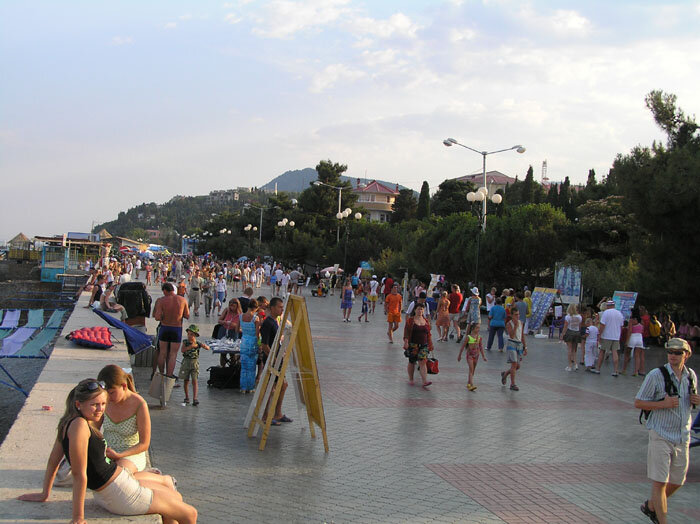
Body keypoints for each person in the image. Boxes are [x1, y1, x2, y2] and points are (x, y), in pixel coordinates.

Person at [18, 379, 197, 523]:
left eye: (103, 404)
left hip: (117, 484)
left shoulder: (67, 422)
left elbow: (53, 461)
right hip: (120, 494)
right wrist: (78, 517)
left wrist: (45, 493)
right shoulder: (80, 426)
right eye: (94, 405)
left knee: (173, 495)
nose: (100, 409)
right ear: (79, 404)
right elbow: (79, 474)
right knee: (190, 514)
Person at [635, 338, 699, 524]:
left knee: (678, 481)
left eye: (678, 352)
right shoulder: (656, 375)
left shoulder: (690, 376)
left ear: (686, 355)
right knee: (660, 482)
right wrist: (663, 404)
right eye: (670, 351)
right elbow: (638, 402)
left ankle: (651, 505)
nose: (673, 355)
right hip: (660, 434)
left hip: (682, 436)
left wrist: (696, 400)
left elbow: (690, 402)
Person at [97, 365, 151, 472]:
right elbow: (94, 430)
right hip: (108, 450)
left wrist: (120, 455)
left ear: (124, 386)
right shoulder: (104, 402)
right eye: (105, 394)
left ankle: (163, 479)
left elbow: (144, 444)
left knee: (120, 472)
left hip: (131, 453)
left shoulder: (140, 404)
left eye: (112, 393)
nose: (108, 398)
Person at [259, 297, 292, 425]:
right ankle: (266, 415)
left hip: (277, 358)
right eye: (279, 307)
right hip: (273, 360)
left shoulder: (275, 321)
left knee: (282, 385)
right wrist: (274, 358)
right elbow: (264, 345)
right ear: (272, 308)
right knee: (270, 388)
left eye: (282, 307)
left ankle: (277, 413)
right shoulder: (268, 323)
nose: (282, 309)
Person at [153, 282, 190, 377]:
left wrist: (164, 316)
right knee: (173, 354)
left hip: (165, 327)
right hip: (177, 328)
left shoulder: (162, 300)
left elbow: (157, 317)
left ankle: (161, 373)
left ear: (165, 290)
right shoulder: (182, 300)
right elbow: (187, 315)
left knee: (162, 353)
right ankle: (169, 375)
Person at [402, 303, 434, 389]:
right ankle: (411, 379)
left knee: (422, 362)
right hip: (413, 345)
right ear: (415, 310)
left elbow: (428, 334)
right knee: (412, 361)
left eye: (422, 309)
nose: (420, 311)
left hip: (423, 345)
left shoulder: (426, 321)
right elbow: (406, 332)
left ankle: (424, 381)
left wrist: (430, 344)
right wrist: (406, 342)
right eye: (419, 309)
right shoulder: (410, 321)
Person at [178, 325, 210, 406]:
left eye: (191, 334)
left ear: (195, 335)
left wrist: (204, 346)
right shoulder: (185, 342)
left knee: (194, 380)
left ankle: (195, 398)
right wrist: (190, 347)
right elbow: (182, 350)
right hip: (186, 362)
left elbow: (207, 348)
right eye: (188, 334)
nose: (189, 336)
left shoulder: (197, 343)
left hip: (194, 362)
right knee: (186, 380)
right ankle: (187, 397)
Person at [592, 300, 624, 376]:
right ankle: (615, 370)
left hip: (606, 335)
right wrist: (619, 334)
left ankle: (598, 369)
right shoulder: (619, 313)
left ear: (607, 306)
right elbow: (621, 326)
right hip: (616, 336)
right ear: (614, 305)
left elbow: (602, 325)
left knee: (602, 351)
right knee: (615, 352)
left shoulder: (606, 313)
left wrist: (599, 334)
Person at [499, 308, 527, 391]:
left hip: (519, 344)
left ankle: (505, 373)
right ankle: (512, 384)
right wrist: (515, 326)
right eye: (515, 314)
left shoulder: (521, 323)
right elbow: (511, 336)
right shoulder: (509, 324)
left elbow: (522, 335)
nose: (517, 316)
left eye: (518, 314)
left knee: (517, 366)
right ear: (511, 315)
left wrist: (525, 347)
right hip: (511, 343)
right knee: (514, 363)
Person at [238, 298, 261, 394]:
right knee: (251, 367)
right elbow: (257, 334)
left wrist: (245, 332)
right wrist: (259, 344)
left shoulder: (240, 316)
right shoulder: (255, 318)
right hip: (252, 343)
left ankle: (243, 387)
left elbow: (237, 329)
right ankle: (250, 387)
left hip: (244, 342)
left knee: (244, 367)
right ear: (255, 308)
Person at [458, 323, 487, 391]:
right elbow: (463, 346)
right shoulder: (469, 337)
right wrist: (459, 355)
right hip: (470, 356)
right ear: (472, 328)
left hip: (476, 355)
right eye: (477, 328)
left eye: (479, 328)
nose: (478, 329)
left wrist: (483, 356)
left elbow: (481, 347)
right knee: (471, 369)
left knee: (473, 370)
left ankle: (469, 383)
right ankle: (471, 385)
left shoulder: (479, 337)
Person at [560, 303, 582, 372]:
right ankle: (575, 364)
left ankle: (569, 365)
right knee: (574, 350)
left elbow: (565, 326)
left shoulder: (568, 317)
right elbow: (579, 326)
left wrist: (562, 334)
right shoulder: (579, 317)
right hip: (577, 332)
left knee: (569, 349)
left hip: (570, 332)